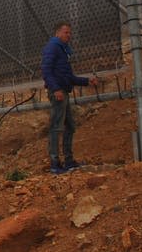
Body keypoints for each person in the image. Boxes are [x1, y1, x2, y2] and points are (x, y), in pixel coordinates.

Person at [41, 21, 98, 174]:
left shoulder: (62, 50)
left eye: (69, 33)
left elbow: (68, 76)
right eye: (66, 33)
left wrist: (86, 81)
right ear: (58, 33)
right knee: (56, 127)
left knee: (70, 126)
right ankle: (55, 162)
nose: (69, 36)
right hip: (58, 93)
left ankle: (68, 160)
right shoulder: (53, 47)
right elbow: (46, 70)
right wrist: (56, 89)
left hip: (63, 91)